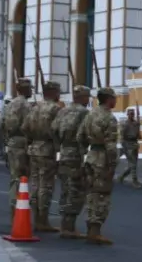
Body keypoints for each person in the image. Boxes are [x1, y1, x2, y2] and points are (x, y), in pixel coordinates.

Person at [77, 86, 119, 245]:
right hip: (103, 159)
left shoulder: (90, 114)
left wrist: (83, 155)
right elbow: (110, 145)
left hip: (91, 156)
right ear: (109, 99)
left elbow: (79, 136)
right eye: (114, 98)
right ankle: (95, 231)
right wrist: (112, 165)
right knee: (102, 195)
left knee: (91, 193)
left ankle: (90, 228)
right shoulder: (109, 118)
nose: (115, 100)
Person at [52, 85, 91, 238]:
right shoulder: (84, 112)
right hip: (77, 155)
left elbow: (53, 129)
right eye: (87, 97)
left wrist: (59, 146)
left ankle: (64, 225)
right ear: (82, 97)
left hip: (63, 153)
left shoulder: (62, 111)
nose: (88, 100)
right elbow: (86, 134)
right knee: (76, 190)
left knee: (65, 189)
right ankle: (69, 227)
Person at [25, 81, 63, 232]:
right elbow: (58, 130)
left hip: (34, 148)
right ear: (53, 92)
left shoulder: (34, 107)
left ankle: (36, 217)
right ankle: (43, 219)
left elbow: (25, 128)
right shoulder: (55, 109)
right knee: (46, 185)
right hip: (47, 149)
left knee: (34, 184)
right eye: (58, 91)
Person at [2, 78, 33, 215]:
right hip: (22, 142)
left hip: (12, 141)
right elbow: (28, 126)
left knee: (14, 176)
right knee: (21, 177)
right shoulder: (25, 105)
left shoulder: (10, 104)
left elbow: (3, 124)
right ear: (25, 89)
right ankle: (17, 210)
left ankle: (14, 209)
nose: (31, 90)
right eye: (30, 88)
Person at [116, 107, 142, 187]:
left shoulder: (136, 124)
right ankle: (134, 181)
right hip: (127, 144)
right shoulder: (125, 124)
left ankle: (121, 176)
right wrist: (123, 145)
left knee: (133, 164)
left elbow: (138, 134)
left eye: (133, 114)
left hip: (134, 144)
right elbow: (121, 136)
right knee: (133, 164)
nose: (132, 115)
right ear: (127, 115)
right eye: (130, 114)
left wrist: (138, 134)